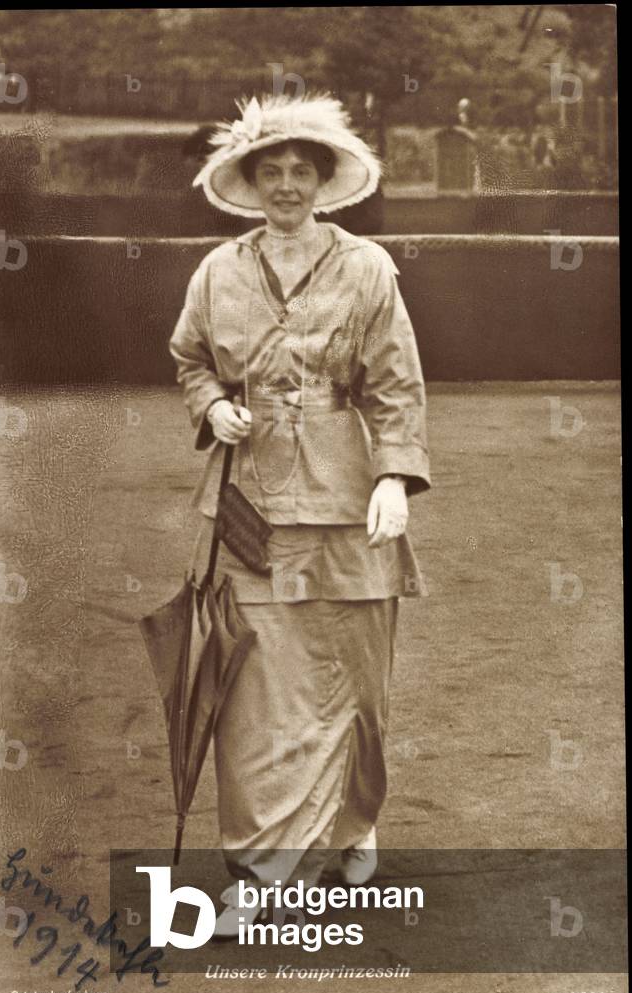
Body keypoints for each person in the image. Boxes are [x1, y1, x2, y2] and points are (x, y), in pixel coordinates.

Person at [169, 93, 431, 937]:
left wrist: (393, 478)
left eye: (301, 171)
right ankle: (260, 873)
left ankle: (352, 824)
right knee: (254, 697)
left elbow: (395, 384)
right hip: (248, 507)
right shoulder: (217, 271)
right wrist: (213, 406)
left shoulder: (367, 267)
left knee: (358, 683)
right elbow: (190, 358)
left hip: (349, 502)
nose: (285, 185)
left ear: (323, 182)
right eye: (271, 172)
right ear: (249, 183)